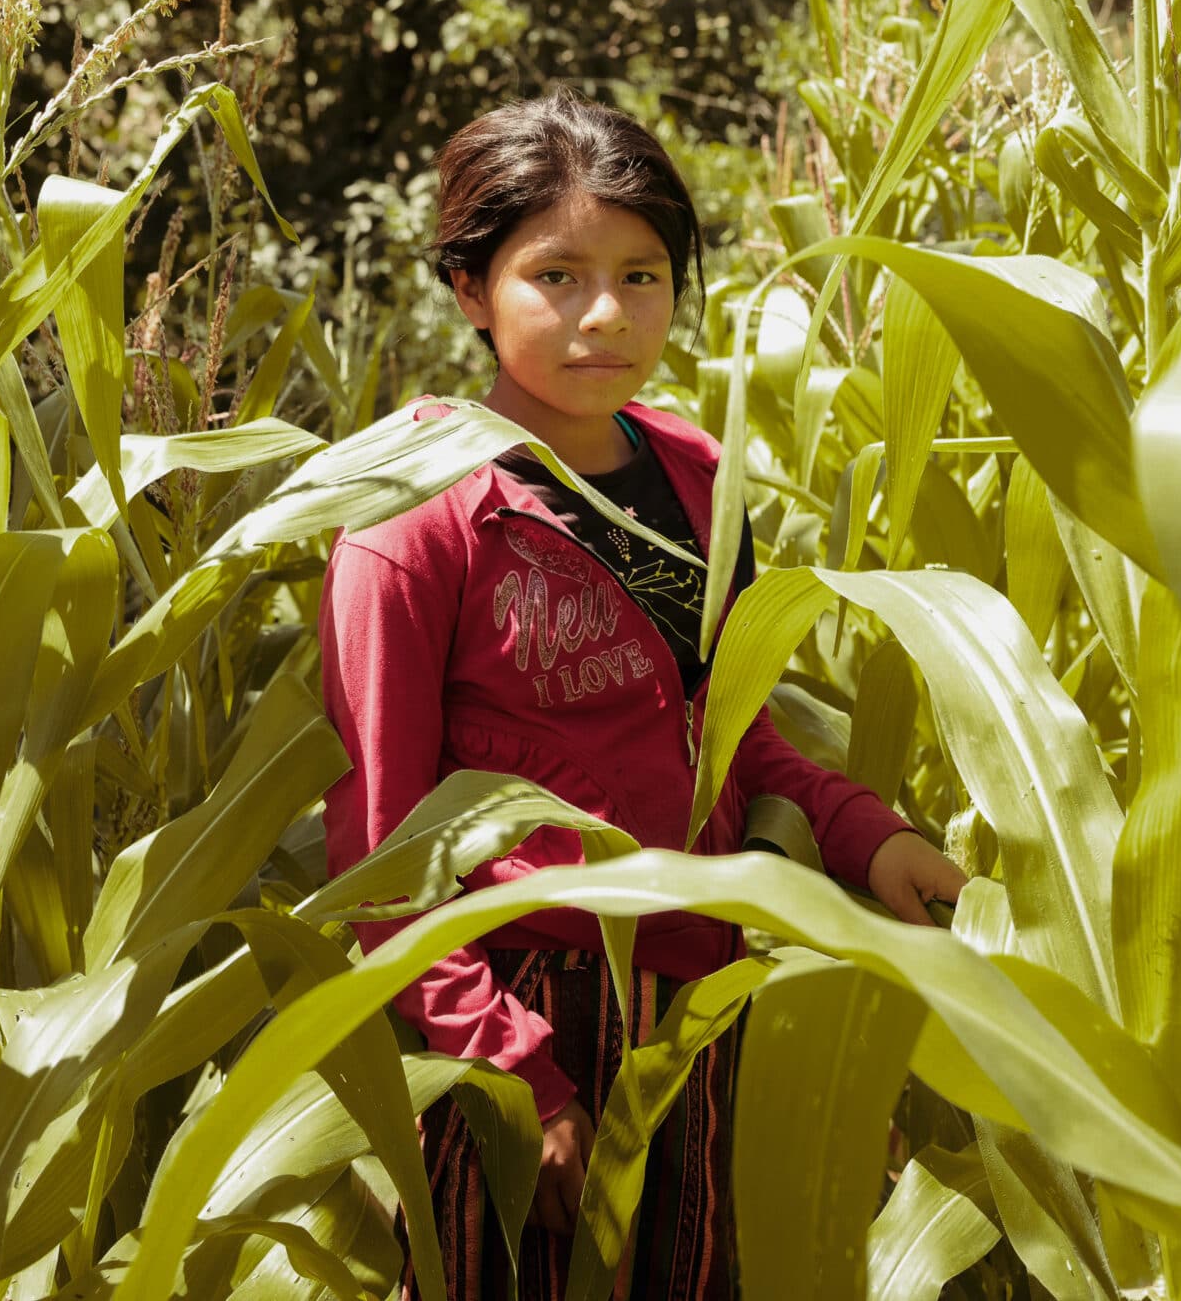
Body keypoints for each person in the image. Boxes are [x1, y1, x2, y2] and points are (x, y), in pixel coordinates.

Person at [317, 95, 966, 1299]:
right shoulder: (414, 514)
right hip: (520, 1010)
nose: (605, 312)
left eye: (642, 273)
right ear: (470, 287)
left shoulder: (698, 479)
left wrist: (869, 839)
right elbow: (379, 847)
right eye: (554, 274)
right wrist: (515, 1071)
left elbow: (739, 743)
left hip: (700, 1010)